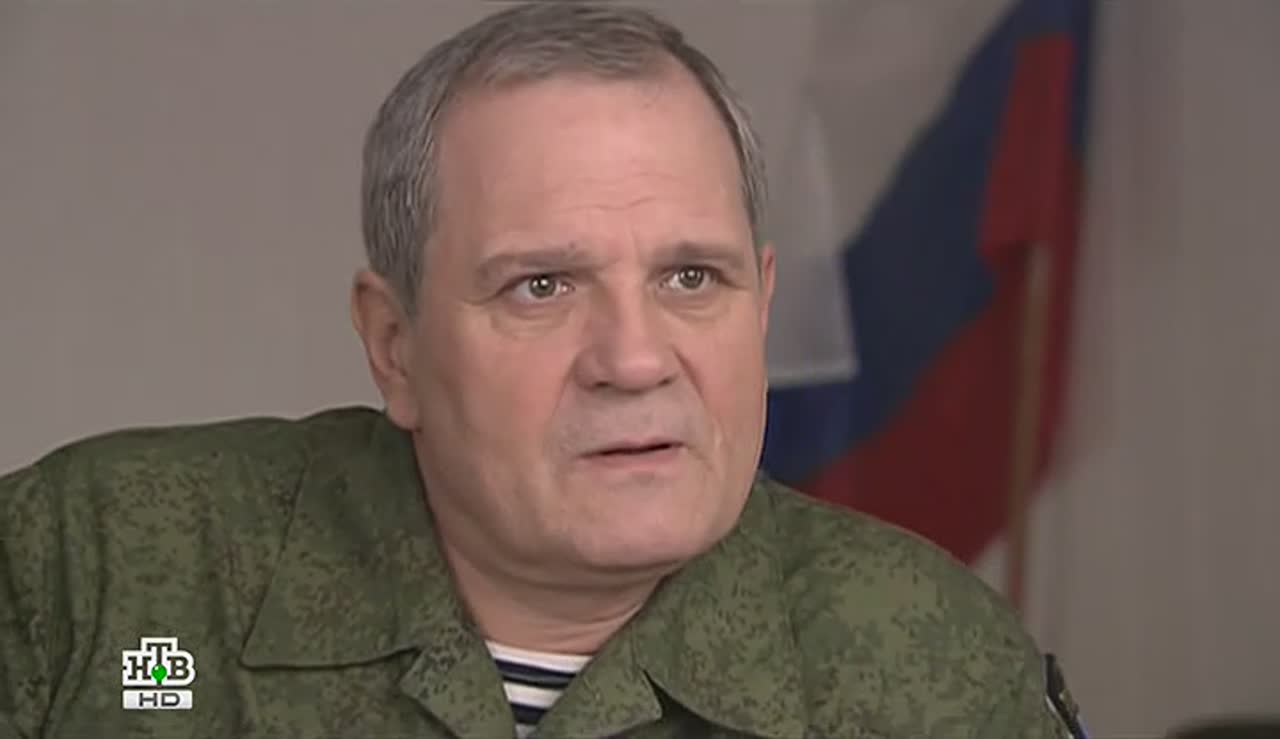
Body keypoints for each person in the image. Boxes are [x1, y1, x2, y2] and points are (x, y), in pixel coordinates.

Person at [0, 3, 1087, 738]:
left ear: (760, 303)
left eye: (691, 278)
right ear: (394, 345)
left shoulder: (927, 662)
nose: (633, 359)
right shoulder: (96, 570)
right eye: (541, 286)